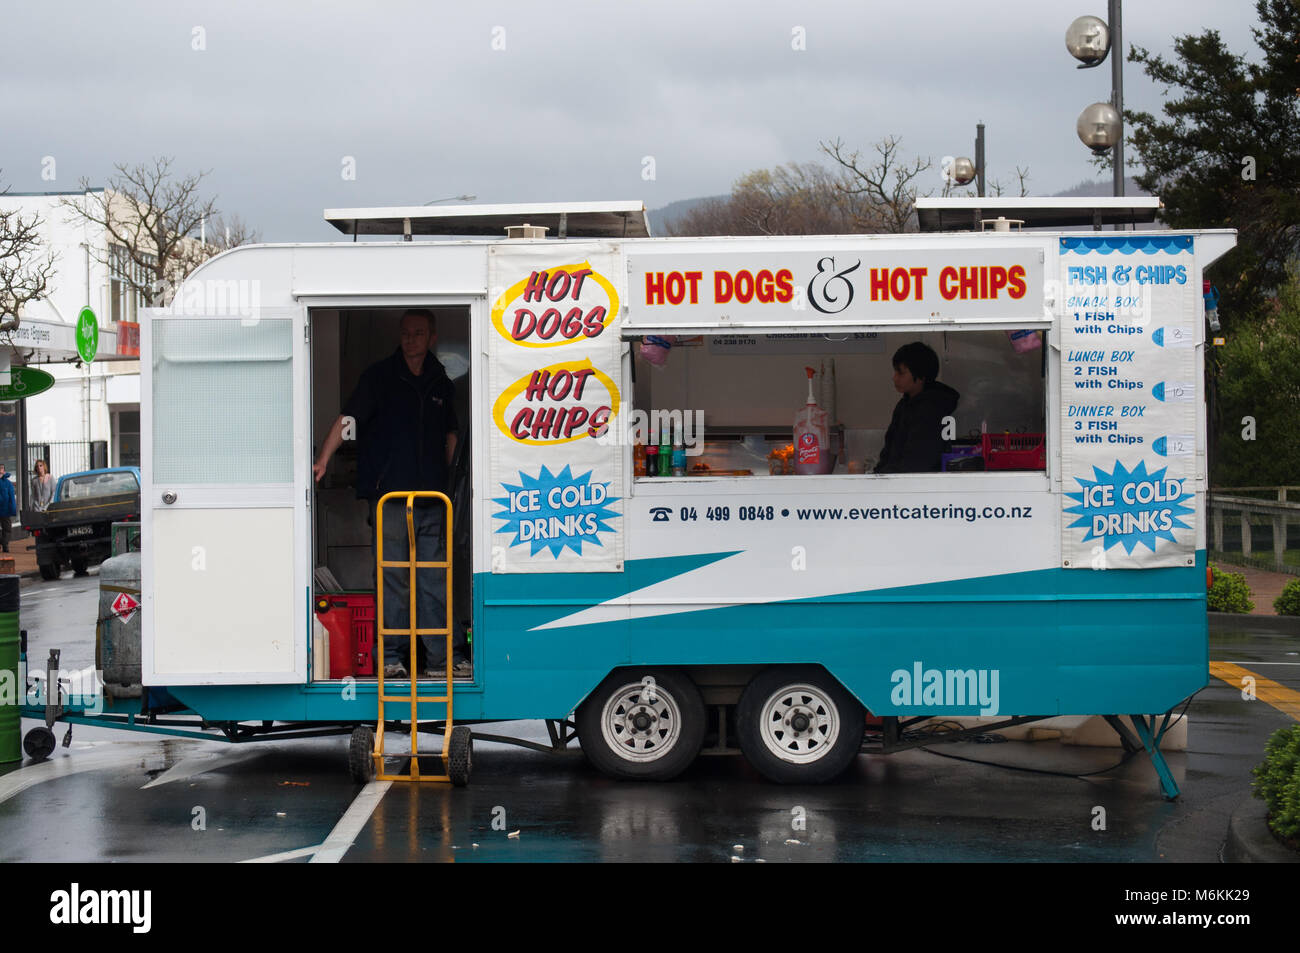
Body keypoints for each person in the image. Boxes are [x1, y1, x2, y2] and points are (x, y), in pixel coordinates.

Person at [313, 309, 471, 680]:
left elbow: (450, 436)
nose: (410, 339)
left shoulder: (440, 382)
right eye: (405, 333)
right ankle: (389, 657)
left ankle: (442, 659)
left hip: (433, 498)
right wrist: (323, 459)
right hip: (390, 498)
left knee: (434, 579)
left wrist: (453, 479)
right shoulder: (379, 377)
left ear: (432, 337)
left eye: (418, 333)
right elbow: (347, 418)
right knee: (393, 577)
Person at [873, 341, 960, 474]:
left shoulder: (931, 409)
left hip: (915, 486)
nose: (894, 378)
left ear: (920, 377)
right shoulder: (905, 404)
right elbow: (889, 451)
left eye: (900, 373)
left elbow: (917, 462)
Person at [0, 464, 15, 553]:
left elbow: (11, 497)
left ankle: (5, 545)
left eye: (2, 468)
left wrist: (12, 509)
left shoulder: (8, 483)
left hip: (5, 510)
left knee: (7, 529)